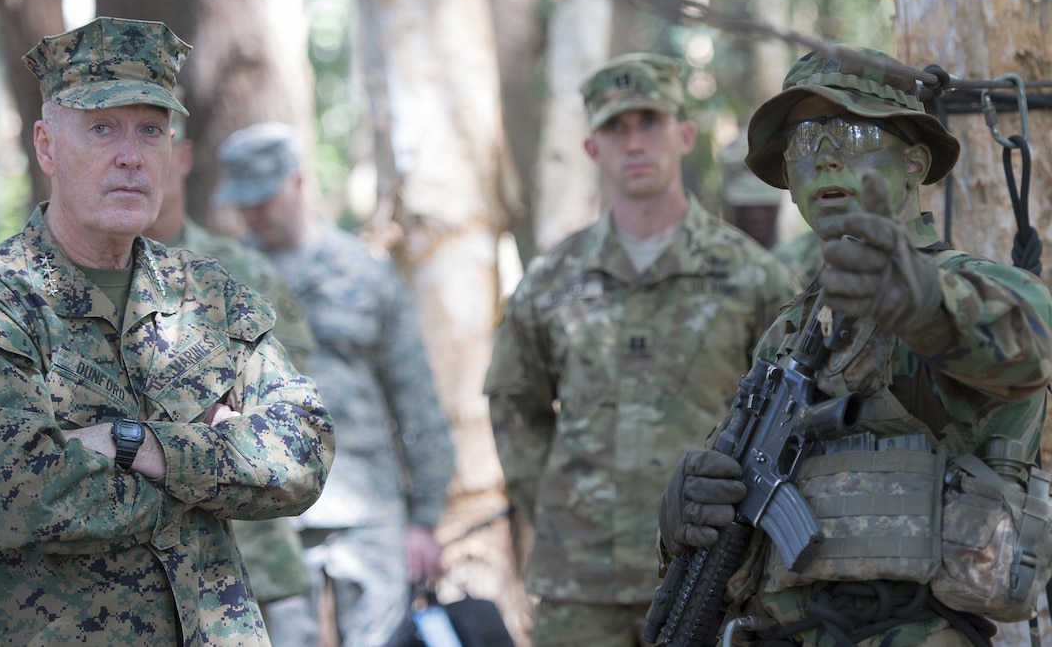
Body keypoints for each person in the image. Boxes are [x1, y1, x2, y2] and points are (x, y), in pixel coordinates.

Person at [658, 46, 1052, 646]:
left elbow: (1027, 347)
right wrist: (685, 510)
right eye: (802, 145)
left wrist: (926, 305)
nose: (826, 159)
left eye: (849, 131)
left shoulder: (978, 290)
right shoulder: (788, 331)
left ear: (914, 162)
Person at [0, 16, 335, 646]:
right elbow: (20, 496)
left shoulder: (210, 293)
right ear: (47, 146)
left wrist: (135, 444)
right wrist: (217, 466)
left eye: (152, 130)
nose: (131, 156)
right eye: (102, 128)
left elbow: (305, 453)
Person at [483, 52, 800, 647]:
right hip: (582, 586)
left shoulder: (754, 278)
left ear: (684, 135)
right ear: (591, 149)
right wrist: (563, 506)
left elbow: (792, 415)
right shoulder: (552, 281)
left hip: (713, 572)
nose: (634, 142)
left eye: (649, 122)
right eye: (615, 128)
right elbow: (513, 406)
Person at [214, 122, 457, 647]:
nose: (251, 212)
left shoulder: (364, 272)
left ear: (297, 182)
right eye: (242, 201)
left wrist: (424, 519)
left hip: (367, 509)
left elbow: (416, 400)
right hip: (266, 513)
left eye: (263, 197)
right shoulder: (225, 279)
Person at [143, 110, 318, 636]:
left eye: (152, 136)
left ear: (183, 157)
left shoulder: (239, 273)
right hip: (139, 579)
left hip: (257, 562)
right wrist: (206, 411)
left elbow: (285, 411)